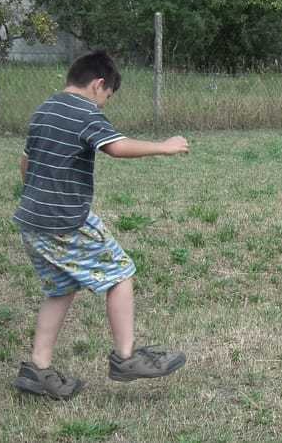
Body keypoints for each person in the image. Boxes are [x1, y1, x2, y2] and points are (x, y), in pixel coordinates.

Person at [12, 50, 190, 400]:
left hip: (31, 220)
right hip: (65, 220)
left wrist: (37, 195)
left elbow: (25, 162)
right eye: (107, 98)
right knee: (121, 272)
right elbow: (117, 147)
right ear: (99, 85)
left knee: (60, 288)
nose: (104, 104)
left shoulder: (44, 109)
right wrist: (164, 147)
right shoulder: (85, 112)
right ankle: (125, 358)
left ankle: (38, 368)